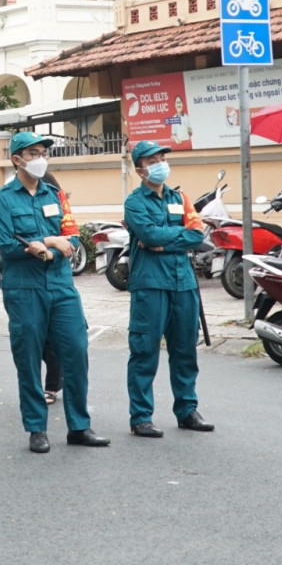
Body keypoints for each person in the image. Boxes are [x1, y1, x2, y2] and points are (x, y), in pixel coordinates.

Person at [0, 131, 108, 453]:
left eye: (43, 152)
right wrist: (50, 241)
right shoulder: (2, 199)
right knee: (28, 360)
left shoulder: (55, 195)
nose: (40, 158)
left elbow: (72, 239)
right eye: (33, 153)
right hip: (23, 289)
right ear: (17, 160)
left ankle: (79, 427)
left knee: (76, 351)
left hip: (61, 287)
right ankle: (36, 429)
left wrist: (49, 247)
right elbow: (8, 246)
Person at [122, 141, 212, 438]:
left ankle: (187, 410)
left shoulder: (181, 197)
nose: (160, 163)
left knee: (185, 350)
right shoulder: (135, 202)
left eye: (162, 157)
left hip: (183, 283)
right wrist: (175, 236)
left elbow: (197, 234)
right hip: (150, 284)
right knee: (145, 351)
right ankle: (141, 417)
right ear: (140, 169)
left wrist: (163, 242)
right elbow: (148, 233)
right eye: (153, 160)